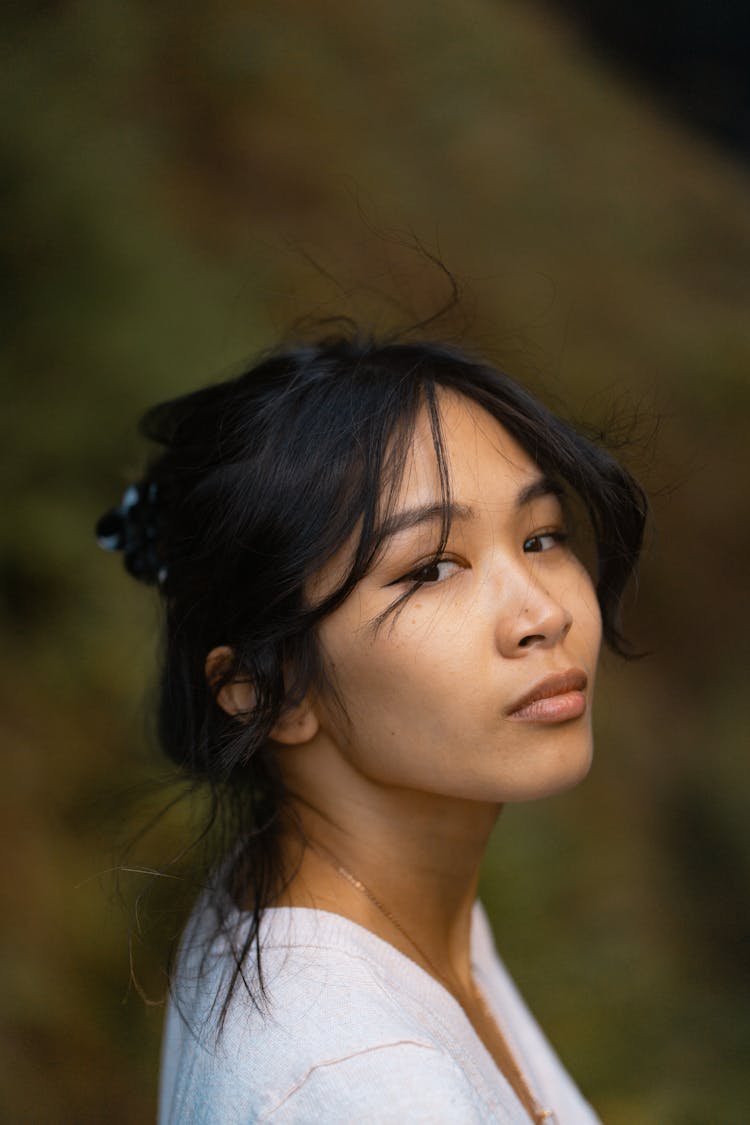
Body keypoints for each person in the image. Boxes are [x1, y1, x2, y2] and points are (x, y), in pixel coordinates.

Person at [97, 330, 646, 1124]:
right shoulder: (352, 1082)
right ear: (265, 689)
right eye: (430, 568)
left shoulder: (368, 905)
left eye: (542, 537)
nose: (544, 612)